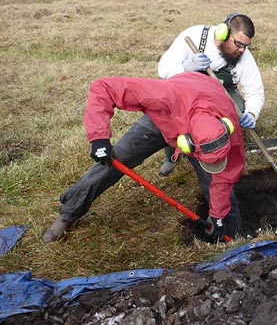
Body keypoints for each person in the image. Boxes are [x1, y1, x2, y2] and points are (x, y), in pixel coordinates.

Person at [42, 71, 245, 243]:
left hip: (202, 110)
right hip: (163, 117)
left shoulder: (229, 128)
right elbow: (104, 87)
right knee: (115, 160)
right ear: (187, 145)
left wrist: (217, 216)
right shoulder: (163, 96)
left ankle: (230, 240)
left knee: (220, 191)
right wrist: (98, 137)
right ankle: (68, 214)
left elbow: (225, 177)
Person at [156, 13, 265, 176]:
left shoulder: (243, 55)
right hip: (188, 93)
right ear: (223, 33)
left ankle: (219, 151)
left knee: (238, 108)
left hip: (221, 95)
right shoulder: (193, 36)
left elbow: (255, 91)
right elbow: (163, 69)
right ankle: (171, 155)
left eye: (245, 45)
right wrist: (186, 67)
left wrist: (251, 113)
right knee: (168, 113)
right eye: (238, 44)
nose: (242, 50)